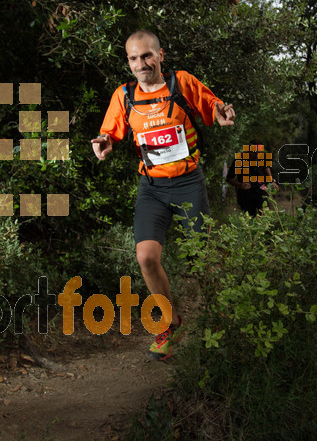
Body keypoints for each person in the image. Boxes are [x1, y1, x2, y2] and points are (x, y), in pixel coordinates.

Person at [91, 29, 235, 360]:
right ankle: (171, 324)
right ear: (127, 62)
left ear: (160, 55)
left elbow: (210, 106)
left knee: (204, 258)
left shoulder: (181, 83)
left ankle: (221, 321)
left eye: (146, 55)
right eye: (133, 58)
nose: (140, 63)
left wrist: (221, 114)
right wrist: (104, 143)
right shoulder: (125, 95)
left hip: (188, 184)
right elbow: (110, 132)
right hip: (152, 189)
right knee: (146, 257)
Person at [226, 140, 278, 217]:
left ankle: (264, 227)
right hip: (246, 192)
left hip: (260, 189)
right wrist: (240, 185)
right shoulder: (239, 160)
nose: (257, 155)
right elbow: (229, 179)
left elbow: (266, 168)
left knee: (263, 212)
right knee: (250, 217)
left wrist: (272, 181)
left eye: (259, 153)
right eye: (255, 153)